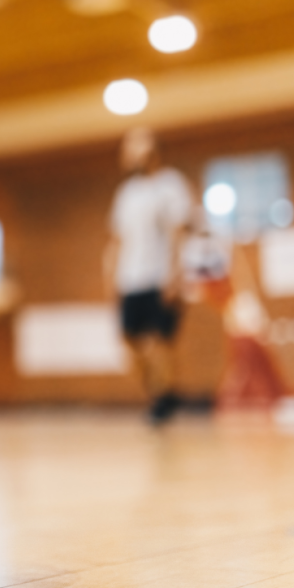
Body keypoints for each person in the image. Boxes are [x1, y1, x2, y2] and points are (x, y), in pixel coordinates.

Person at [102, 127, 194, 425]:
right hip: (130, 279)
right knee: (131, 341)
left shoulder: (171, 185)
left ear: (152, 149)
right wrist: (109, 275)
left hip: (159, 276)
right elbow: (117, 239)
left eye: (135, 144)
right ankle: (162, 393)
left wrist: (175, 274)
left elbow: (178, 233)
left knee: (158, 342)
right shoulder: (126, 194)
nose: (129, 152)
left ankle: (163, 399)